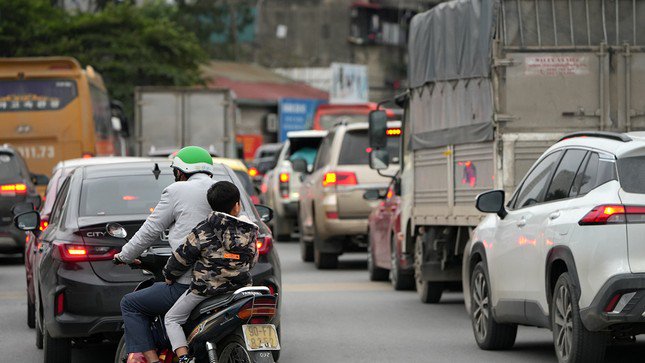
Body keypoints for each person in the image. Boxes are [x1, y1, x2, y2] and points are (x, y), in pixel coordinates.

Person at [113, 146, 215, 363]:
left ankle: (153, 360)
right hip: (231, 281)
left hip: (189, 282)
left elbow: (150, 230)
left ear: (181, 171)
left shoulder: (176, 190)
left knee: (130, 303)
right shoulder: (225, 189)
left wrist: (124, 255)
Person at [163, 181, 259, 363]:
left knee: (172, 319)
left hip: (206, 290)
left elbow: (181, 258)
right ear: (237, 204)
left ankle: (184, 358)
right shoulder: (250, 231)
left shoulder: (204, 229)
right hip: (240, 290)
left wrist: (169, 276)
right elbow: (252, 260)